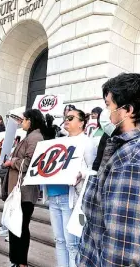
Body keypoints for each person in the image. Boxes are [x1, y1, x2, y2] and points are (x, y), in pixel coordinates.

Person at [79, 73, 140, 266]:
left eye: (109, 106)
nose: (106, 114)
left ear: (128, 111)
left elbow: (122, 253)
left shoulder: (132, 160)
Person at [43, 107, 96, 267]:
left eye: (71, 118)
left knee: (72, 244)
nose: (67, 120)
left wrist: (82, 174)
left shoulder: (87, 142)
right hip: (53, 195)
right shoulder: (60, 141)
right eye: (66, 117)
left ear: (81, 123)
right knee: (59, 240)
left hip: (70, 198)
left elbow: (93, 169)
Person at [3, 109, 56, 267]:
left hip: (25, 191)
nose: (22, 122)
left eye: (24, 119)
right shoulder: (30, 136)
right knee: (14, 226)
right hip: (18, 188)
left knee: (21, 227)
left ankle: (21, 262)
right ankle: (16, 261)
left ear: (31, 121)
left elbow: (29, 162)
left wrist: (12, 162)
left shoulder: (35, 137)